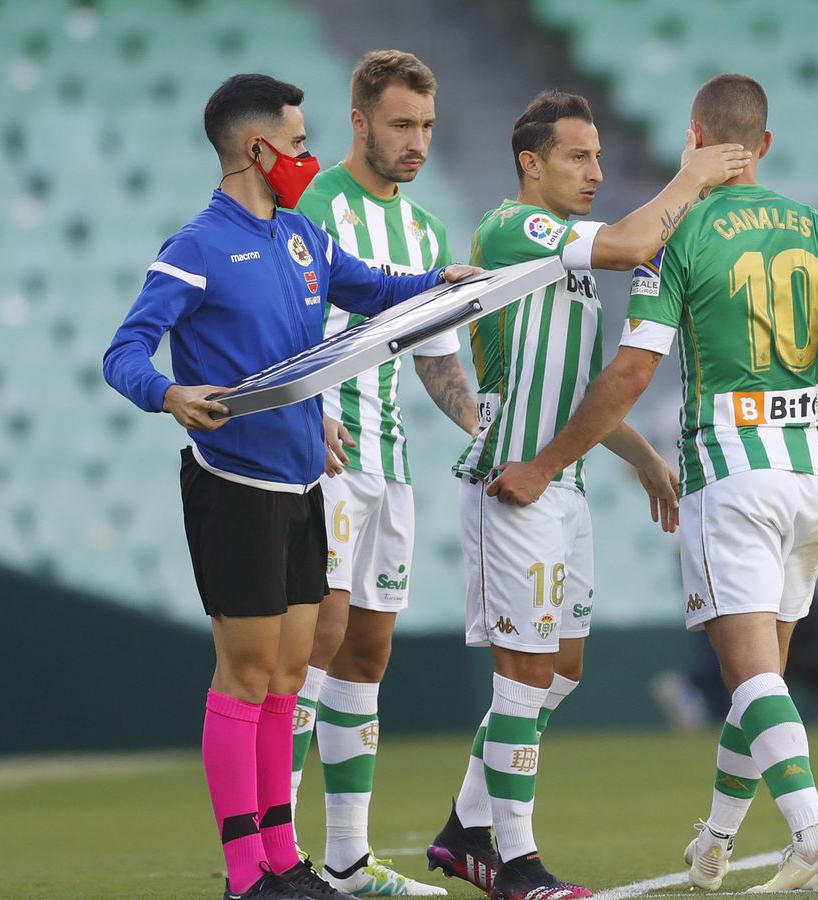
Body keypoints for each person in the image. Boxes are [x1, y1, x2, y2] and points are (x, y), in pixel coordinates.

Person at [486, 73, 818, 893]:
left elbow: (631, 373)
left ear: (695, 139)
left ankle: (813, 838)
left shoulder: (677, 237)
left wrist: (547, 461)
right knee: (763, 682)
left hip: (732, 467)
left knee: (751, 677)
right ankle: (715, 842)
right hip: (812, 474)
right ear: (762, 145)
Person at [101, 73, 480, 900]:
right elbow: (125, 351)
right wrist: (167, 394)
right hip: (232, 480)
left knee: (286, 676)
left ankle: (284, 859)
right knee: (244, 675)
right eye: (299, 145)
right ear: (256, 148)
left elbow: (375, 290)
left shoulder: (304, 238)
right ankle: (246, 874)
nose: (308, 158)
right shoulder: (196, 246)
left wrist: (442, 284)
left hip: (304, 478)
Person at [424, 90, 750, 899]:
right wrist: (690, 177)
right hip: (516, 483)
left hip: (560, 484)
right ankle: (517, 864)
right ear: (531, 163)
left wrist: (638, 457)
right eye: (579, 156)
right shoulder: (513, 228)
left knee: (560, 671)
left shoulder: (563, 259)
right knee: (524, 676)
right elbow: (638, 239)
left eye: (600, 156)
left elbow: (575, 389)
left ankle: (466, 828)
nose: (596, 172)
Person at [289, 50, 474, 897]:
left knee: (367, 651)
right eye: (402, 124)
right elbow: (284, 324)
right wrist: (307, 409)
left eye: (427, 127)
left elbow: (438, 360)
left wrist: (482, 428)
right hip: (324, 454)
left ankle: (348, 861)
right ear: (359, 121)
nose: (417, 142)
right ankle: (277, 863)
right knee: (314, 644)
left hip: (391, 463)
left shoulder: (427, 234)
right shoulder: (312, 204)